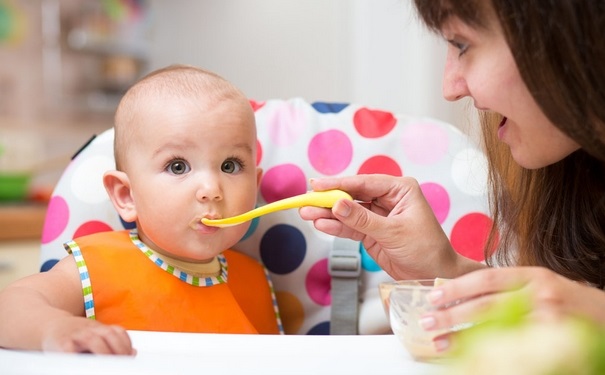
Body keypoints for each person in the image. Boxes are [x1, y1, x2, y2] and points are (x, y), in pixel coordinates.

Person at [299, 0, 605, 353]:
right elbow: (563, 315)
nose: (451, 87)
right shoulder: (574, 179)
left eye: (462, 44)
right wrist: (448, 269)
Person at [0, 65, 282, 355]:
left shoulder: (254, 281)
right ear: (126, 195)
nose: (211, 188)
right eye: (178, 166)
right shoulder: (99, 267)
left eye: (230, 166)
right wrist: (54, 329)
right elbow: (10, 308)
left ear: (255, 186)